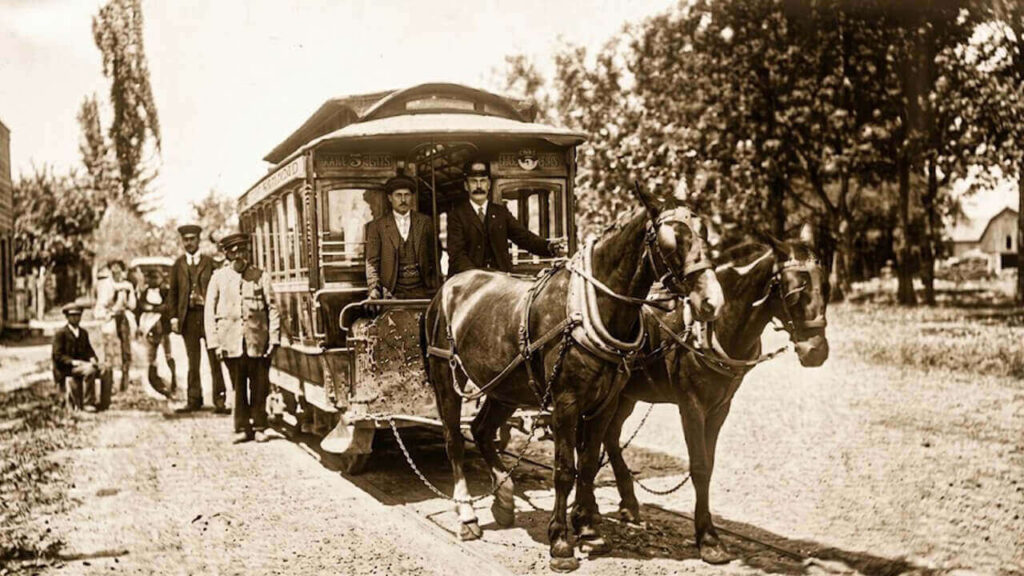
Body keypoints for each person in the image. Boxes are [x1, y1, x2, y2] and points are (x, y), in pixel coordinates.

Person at [205, 233, 280, 444]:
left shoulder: (260, 276)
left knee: (259, 385)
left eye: (242, 251)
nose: (239, 255)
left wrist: (274, 338)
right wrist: (214, 344)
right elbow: (209, 313)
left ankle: (259, 426)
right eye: (233, 252)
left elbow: (272, 308)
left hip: (257, 342)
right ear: (227, 254)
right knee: (238, 387)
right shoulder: (218, 278)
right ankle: (242, 427)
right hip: (231, 342)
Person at [447, 160, 566, 275]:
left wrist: (548, 247)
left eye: (483, 181)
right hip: (469, 283)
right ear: (466, 186)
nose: (479, 186)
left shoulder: (501, 213)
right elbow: (457, 255)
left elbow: (524, 237)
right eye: (473, 181)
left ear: (488, 185)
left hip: (500, 281)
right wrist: (477, 277)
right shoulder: (457, 215)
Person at [168, 224, 228, 414]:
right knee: (192, 361)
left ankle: (220, 400)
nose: (189, 243)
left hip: (208, 317)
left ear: (198, 240)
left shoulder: (209, 263)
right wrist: (174, 318)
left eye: (192, 239)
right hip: (188, 318)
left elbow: (220, 290)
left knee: (214, 359)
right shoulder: (178, 265)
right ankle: (194, 400)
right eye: (185, 239)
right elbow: (173, 293)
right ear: (182, 241)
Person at [364, 175, 438, 300]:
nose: (403, 199)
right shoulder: (377, 226)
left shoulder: (425, 222)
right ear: (390, 198)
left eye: (407, 195)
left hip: (422, 291)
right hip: (392, 292)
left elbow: (435, 256)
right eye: (398, 195)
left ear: (412, 197)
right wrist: (374, 288)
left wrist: (434, 284)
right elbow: (372, 262)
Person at [52, 303, 111, 411]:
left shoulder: (83, 333)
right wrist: (73, 362)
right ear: (67, 317)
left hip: (82, 366)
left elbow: (88, 350)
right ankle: (88, 402)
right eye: (73, 316)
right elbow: (57, 356)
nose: (76, 318)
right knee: (90, 370)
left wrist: (93, 358)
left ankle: (104, 403)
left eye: (78, 315)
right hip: (67, 368)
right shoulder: (61, 333)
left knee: (106, 369)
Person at [94, 259, 136, 392]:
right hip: (109, 318)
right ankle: (109, 383)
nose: (116, 270)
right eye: (113, 267)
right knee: (110, 351)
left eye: (119, 267)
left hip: (123, 318)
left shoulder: (127, 285)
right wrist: (110, 310)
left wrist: (128, 293)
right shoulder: (105, 284)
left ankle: (124, 381)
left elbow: (132, 305)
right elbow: (101, 305)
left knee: (125, 351)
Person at [136, 267, 177, 398]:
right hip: (149, 327)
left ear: (161, 278)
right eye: (149, 278)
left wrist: (155, 309)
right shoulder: (144, 292)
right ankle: (155, 383)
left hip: (163, 328)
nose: (152, 281)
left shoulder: (165, 291)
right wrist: (150, 309)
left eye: (155, 278)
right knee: (151, 357)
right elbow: (140, 306)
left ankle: (172, 383)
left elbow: (168, 306)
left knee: (167, 355)